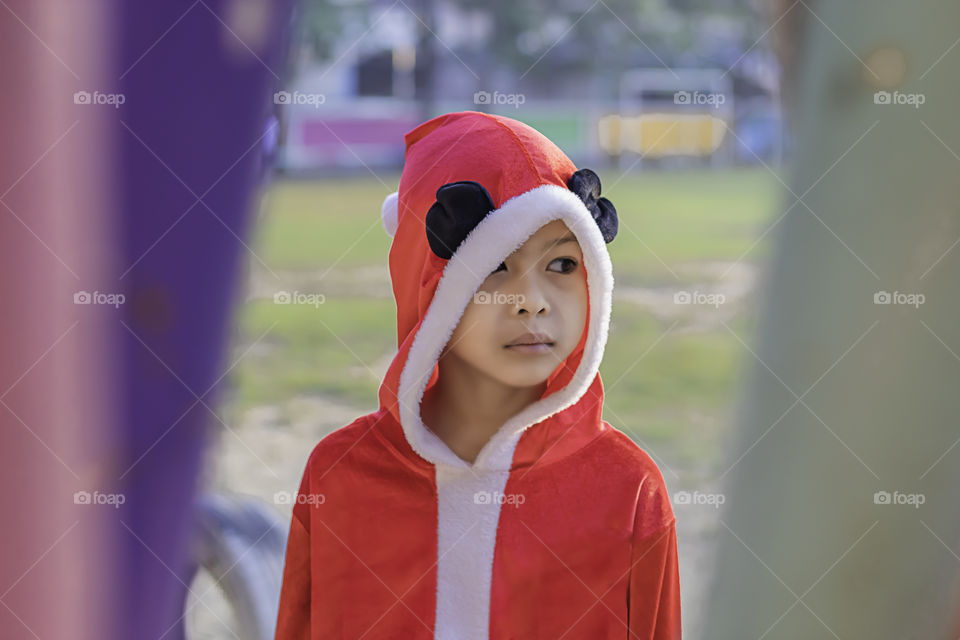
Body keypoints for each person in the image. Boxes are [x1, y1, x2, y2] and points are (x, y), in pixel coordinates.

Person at [274, 111, 681, 639]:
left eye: (562, 265)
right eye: (495, 266)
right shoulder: (338, 478)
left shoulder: (629, 491)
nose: (532, 302)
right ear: (430, 286)